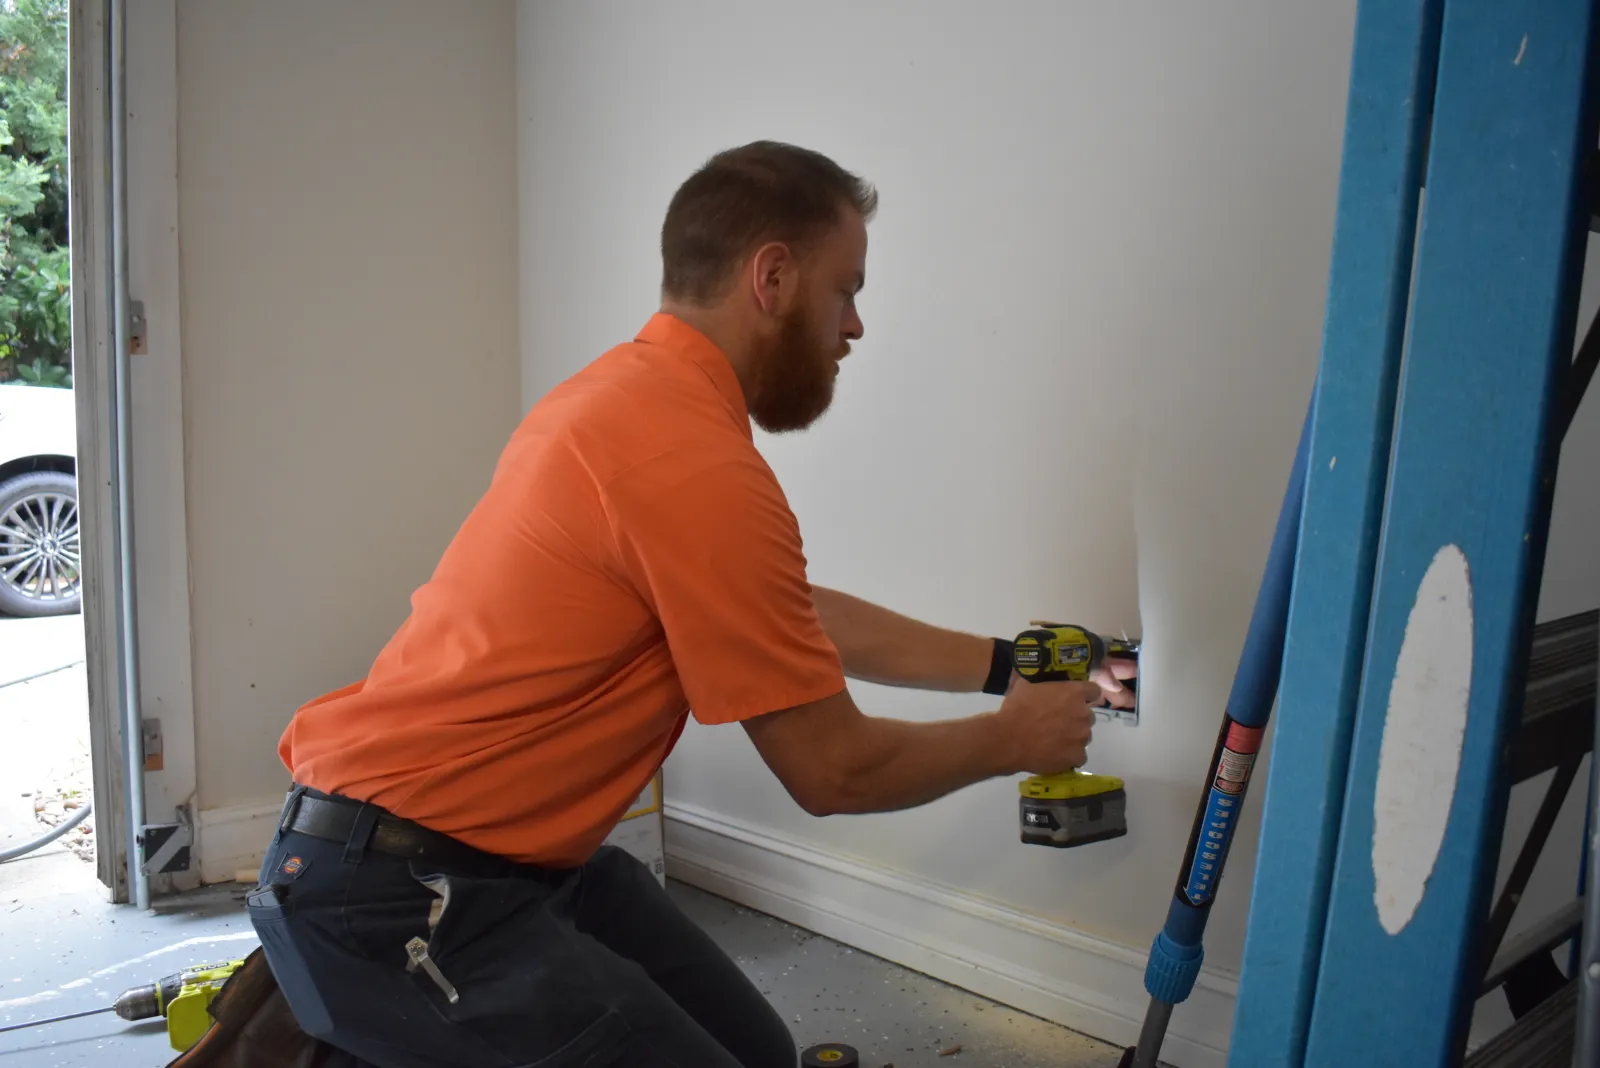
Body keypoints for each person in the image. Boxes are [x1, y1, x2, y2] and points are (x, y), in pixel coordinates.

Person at [247, 140, 1134, 1068]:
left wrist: (1006, 666)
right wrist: (1015, 740)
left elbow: (789, 614)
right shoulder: (689, 462)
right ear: (774, 277)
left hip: (506, 861)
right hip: (402, 891)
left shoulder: (630, 400)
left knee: (754, 1048)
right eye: (847, 290)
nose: (856, 325)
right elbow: (834, 772)